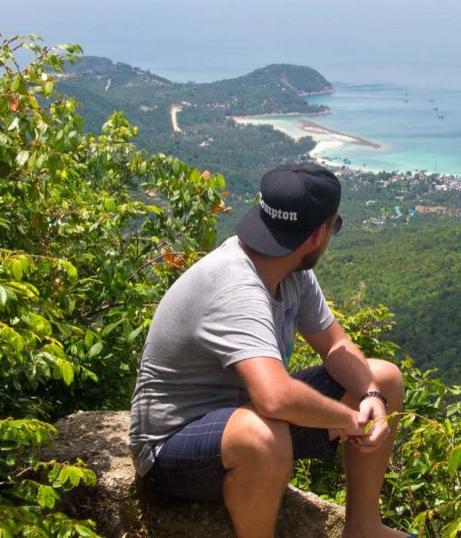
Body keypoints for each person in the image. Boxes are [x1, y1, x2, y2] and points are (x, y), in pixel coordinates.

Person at [129, 162, 413, 538]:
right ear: (317, 235)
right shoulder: (236, 286)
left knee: (384, 378)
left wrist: (371, 394)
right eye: (335, 226)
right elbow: (275, 398)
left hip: (247, 418)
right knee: (263, 434)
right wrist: (348, 420)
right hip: (173, 444)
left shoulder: (291, 270)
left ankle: (363, 528)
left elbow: (336, 345)